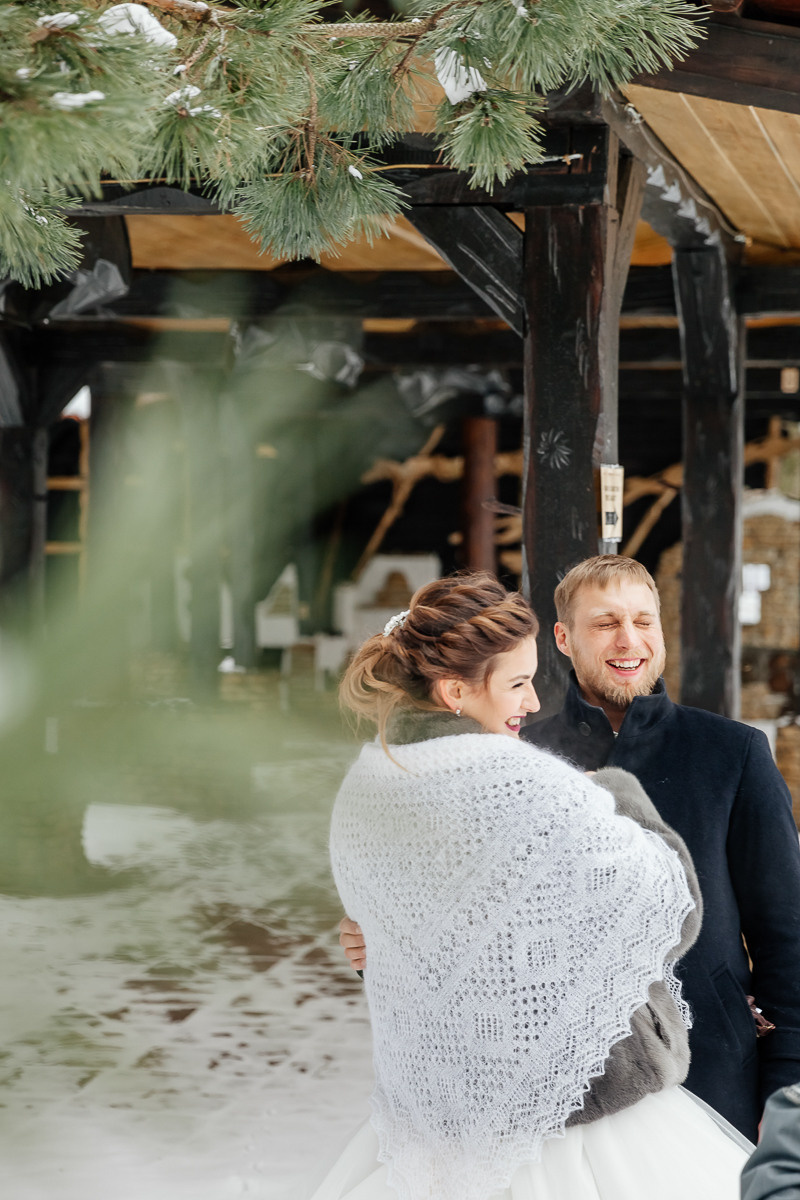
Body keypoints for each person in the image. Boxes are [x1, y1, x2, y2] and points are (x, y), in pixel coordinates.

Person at [316, 572, 750, 1200]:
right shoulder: (526, 783)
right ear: (455, 689)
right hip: (581, 1119)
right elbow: (668, 905)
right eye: (518, 683)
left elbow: (405, 936)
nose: (532, 703)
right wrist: (616, 793)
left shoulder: (367, 784)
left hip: (442, 1124)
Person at [520, 554, 800, 1142]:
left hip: (716, 1070)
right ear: (564, 638)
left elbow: (787, 937)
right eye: (605, 623)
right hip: (569, 1085)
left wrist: (785, 1093)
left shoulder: (734, 754)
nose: (629, 640)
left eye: (644, 621)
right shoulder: (524, 762)